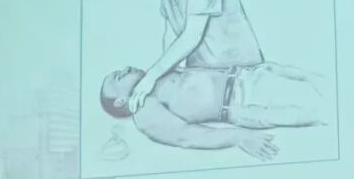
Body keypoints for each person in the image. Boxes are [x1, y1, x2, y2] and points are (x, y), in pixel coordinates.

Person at [127, 0, 263, 114]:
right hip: (210, 83)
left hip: (244, 77)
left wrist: (152, 76)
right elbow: (170, 41)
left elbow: (191, 36)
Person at [100, 62, 329, 160]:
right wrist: (239, 137)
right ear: (120, 101)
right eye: (119, 76)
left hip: (248, 76)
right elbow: (187, 137)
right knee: (322, 111)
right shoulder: (144, 113)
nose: (126, 68)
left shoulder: (153, 77)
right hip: (247, 103)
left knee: (324, 85)